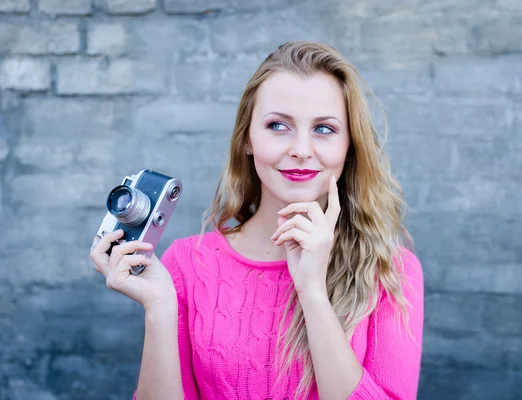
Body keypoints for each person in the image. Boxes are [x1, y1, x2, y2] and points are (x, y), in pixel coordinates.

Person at [90, 41, 423, 400]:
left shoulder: (391, 272)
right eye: (278, 126)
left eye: (324, 129)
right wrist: (158, 309)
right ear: (248, 139)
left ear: (349, 145)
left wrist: (312, 291)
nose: (301, 149)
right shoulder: (187, 264)